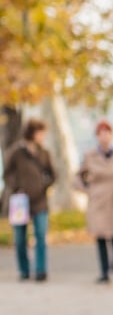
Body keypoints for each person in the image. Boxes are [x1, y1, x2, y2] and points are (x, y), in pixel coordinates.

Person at [76, 120, 113, 283]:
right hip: (98, 200)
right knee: (100, 235)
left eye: (107, 132)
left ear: (111, 135)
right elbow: (79, 176)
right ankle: (104, 271)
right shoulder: (90, 156)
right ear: (97, 136)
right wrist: (87, 191)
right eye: (101, 133)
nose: (104, 136)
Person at [3, 118, 56, 282]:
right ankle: (24, 270)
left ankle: (40, 270)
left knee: (40, 235)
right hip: (20, 201)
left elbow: (53, 174)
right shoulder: (16, 152)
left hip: (39, 200)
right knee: (20, 238)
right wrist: (16, 187)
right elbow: (7, 173)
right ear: (33, 132)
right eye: (41, 133)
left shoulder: (43, 153)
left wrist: (44, 186)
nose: (43, 136)